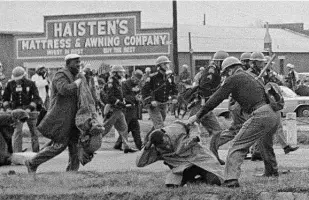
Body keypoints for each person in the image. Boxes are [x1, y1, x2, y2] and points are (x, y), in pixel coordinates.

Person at [188, 56, 281, 188]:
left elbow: (216, 99)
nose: (225, 75)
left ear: (230, 69)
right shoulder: (249, 76)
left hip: (261, 113)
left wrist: (197, 116)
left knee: (237, 146)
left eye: (226, 73)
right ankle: (271, 171)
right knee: (265, 143)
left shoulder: (233, 79)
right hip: (274, 113)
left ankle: (231, 180)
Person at [24, 54, 84, 173]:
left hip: (73, 118)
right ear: (68, 63)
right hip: (61, 118)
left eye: (79, 62)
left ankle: (72, 172)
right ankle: (32, 162)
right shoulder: (60, 75)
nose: (78, 64)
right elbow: (64, 90)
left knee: (75, 145)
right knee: (59, 145)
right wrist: (77, 83)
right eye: (76, 62)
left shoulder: (75, 75)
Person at [136, 121, 224, 187]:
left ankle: (200, 180)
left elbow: (193, 124)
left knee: (215, 181)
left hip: (200, 160)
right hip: (182, 169)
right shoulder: (156, 149)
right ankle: (193, 181)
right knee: (171, 186)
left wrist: (194, 136)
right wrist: (146, 148)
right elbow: (140, 163)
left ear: (166, 135)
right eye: (163, 146)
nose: (167, 147)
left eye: (166, 142)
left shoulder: (177, 128)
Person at [189, 51, 228, 164]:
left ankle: (213, 157)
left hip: (207, 106)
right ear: (217, 62)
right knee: (192, 132)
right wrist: (213, 96)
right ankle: (189, 158)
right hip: (200, 105)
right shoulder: (212, 70)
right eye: (222, 62)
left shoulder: (218, 71)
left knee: (217, 131)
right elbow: (205, 86)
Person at [3, 66, 42, 153]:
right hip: (17, 111)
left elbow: (36, 98)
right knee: (17, 132)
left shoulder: (31, 83)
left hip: (30, 110)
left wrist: (29, 108)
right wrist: (8, 109)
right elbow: (5, 99)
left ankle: (36, 152)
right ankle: (17, 152)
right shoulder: (10, 84)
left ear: (24, 76)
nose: (17, 81)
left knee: (34, 132)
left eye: (19, 79)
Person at [102, 65, 137, 153]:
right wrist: (119, 102)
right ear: (115, 73)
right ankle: (89, 145)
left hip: (118, 109)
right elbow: (110, 97)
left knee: (124, 128)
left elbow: (119, 95)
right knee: (105, 129)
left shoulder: (118, 81)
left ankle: (126, 147)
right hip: (113, 109)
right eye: (120, 72)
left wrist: (123, 102)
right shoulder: (111, 82)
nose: (122, 73)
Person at [141, 56, 178, 130]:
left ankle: (148, 141)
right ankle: (161, 141)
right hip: (153, 105)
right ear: (159, 66)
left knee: (157, 125)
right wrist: (151, 100)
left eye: (167, 64)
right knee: (159, 125)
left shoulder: (170, 77)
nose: (167, 66)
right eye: (164, 64)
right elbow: (145, 91)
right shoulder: (152, 77)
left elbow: (174, 88)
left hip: (164, 104)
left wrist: (174, 97)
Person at [114, 70, 144, 150]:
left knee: (132, 127)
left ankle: (120, 144)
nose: (137, 81)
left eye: (138, 80)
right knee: (129, 127)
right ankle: (139, 145)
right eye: (136, 79)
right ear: (132, 76)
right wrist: (134, 98)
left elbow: (139, 93)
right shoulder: (125, 84)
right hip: (127, 108)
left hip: (134, 109)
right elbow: (123, 96)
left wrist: (139, 97)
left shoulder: (137, 85)